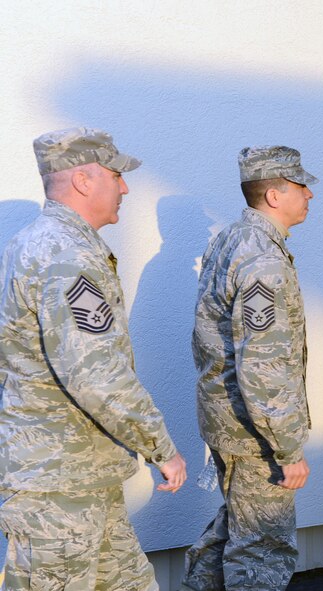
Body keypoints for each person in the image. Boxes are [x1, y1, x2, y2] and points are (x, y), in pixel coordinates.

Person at [0, 127, 187, 590]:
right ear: (83, 180)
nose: (124, 187)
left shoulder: (44, 244)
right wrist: (162, 447)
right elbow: (97, 375)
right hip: (58, 491)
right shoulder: (66, 255)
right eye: (116, 175)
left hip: (81, 478)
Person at [181, 145, 315, 591]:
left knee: (236, 528)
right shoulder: (263, 258)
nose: (310, 195)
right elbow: (263, 364)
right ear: (274, 195)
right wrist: (287, 448)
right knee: (262, 549)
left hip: (229, 420)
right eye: (301, 186)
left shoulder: (231, 238)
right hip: (255, 431)